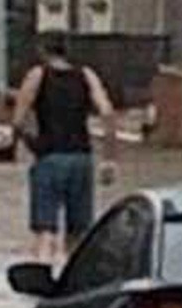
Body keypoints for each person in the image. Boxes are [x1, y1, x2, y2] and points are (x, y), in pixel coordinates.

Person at [13, 33, 117, 262]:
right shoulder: (86, 75)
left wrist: (33, 145)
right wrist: (109, 158)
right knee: (79, 232)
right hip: (81, 158)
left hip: (50, 158)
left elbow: (18, 120)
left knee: (45, 230)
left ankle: (43, 272)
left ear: (42, 51)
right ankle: (74, 280)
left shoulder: (38, 75)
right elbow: (107, 112)